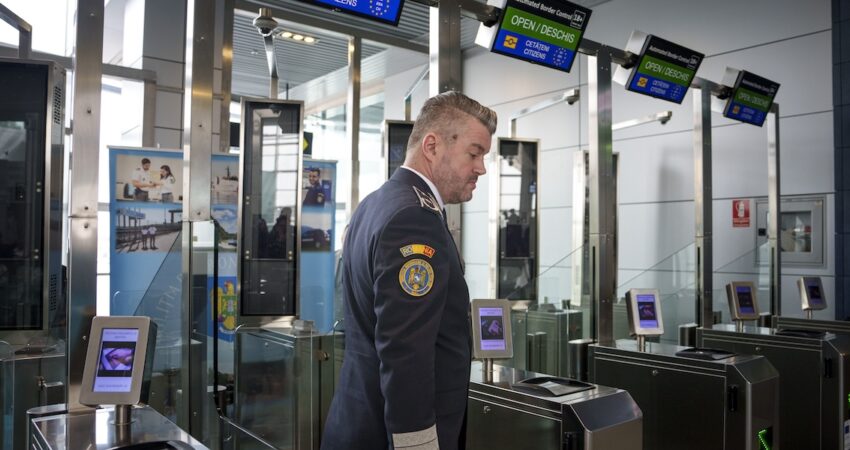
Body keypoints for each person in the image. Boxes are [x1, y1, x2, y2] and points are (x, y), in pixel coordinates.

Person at [321, 91, 496, 450]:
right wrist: (417, 444)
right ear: (432, 146)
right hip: (390, 434)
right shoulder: (414, 219)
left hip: (358, 419)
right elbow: (406, 353)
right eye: (474, 153)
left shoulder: (376, 203)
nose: (481, 168)